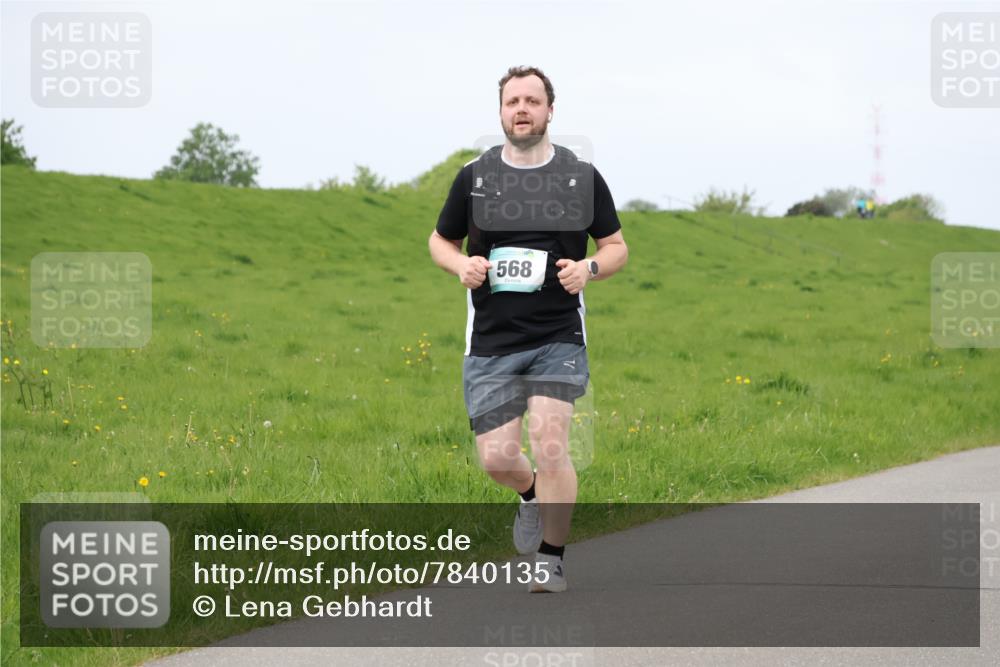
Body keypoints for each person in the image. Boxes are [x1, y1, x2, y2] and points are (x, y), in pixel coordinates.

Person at [428, 66, 628, 593]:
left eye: (532, 101)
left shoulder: (580, 177)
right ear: (501, 111)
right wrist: (460, 265)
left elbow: (615, 247)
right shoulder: (475, 177)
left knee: (550, 441)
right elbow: (440, 241)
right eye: (512, 101)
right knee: (497, 458)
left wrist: (589, 269)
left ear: (549, 110)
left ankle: (551, 558)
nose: (522, 109)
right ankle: (531, 495)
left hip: (557, 335)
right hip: (491, 339)